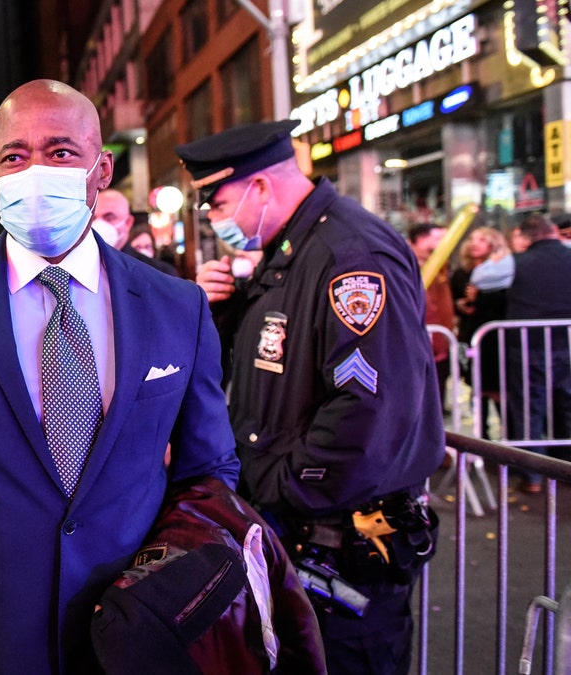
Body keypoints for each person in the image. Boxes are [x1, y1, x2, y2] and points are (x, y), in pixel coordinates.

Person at [0, 79, 240, 674]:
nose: (35, 171)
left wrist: (180, 586)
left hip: (140, 630)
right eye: (15, 156)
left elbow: (208, 470)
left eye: (61, 152)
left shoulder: (177, 307)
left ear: (101, 168)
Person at [185, 120, 445, 675]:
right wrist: (223, 310)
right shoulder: (289, 254)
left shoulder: (350, 256)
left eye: (217, 200)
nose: (213, 217)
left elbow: (370, 411)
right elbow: (267, 368)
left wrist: (282, 485)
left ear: (259, 187)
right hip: (300, 540)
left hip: (341, 547)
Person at [503, 214, 571, 491]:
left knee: (530, 406)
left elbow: (484, 282)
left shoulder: (516, 263)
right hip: (566, 341)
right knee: (568, 404)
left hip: (528, 343)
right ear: (552, 232)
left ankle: (532, 475)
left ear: (525, 236)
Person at [451, 226, 510, 439]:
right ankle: (482, 438)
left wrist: (481, 297)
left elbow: (506, 300)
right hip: (469, 334)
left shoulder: (504, 271)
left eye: (482, 240)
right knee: (476, 388)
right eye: (473, 239)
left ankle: (509, 437)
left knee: (497, 389)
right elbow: (454, 298)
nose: (475, 243)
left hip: (494, 337)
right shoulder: (461, 272)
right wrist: (461, 304)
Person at [408, 223, 455, 412]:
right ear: (421, 239)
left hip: (438, 337)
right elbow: (428, 306)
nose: (444, 242)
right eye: (438, 238)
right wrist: (436, 342)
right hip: (430, 339)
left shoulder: (436, 262)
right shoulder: (415, 264)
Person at [94, 188, 178, 276]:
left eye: (110, 218)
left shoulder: (158, 272)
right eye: (93, 218)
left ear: (128, 223)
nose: (98, 223)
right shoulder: (82, 265)